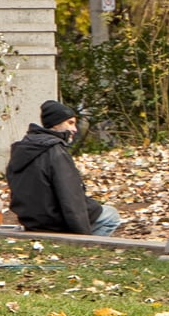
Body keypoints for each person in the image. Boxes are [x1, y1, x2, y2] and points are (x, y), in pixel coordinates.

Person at [7, 100, 121, 236]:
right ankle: (88, 250)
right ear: (56, 124)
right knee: (111, 215)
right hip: (55, 222)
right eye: (70, 123)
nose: (75, 129)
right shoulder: (55, 152)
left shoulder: (21, 150)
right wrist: (83, 235)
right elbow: (70, 198)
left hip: (32, 221)